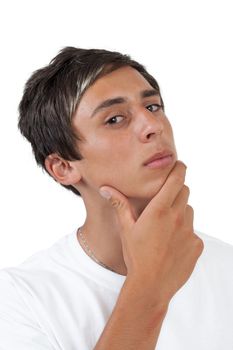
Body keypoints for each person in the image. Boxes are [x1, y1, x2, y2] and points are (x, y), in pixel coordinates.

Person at [0, 47, 233, 350]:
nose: (153, 126)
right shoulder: (23, 299)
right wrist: (148, 285)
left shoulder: (226, 267)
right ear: (64, 167)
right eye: (115, 119)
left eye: (152, 106)